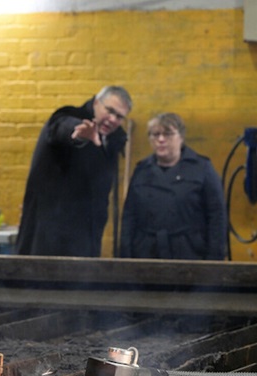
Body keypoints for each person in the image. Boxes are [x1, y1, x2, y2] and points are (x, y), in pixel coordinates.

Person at [16, 85, 133, 257]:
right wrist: (79, 135)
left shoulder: (113, 140)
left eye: (119, 116)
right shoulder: (68, 118)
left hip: (87, 241)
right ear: (96, 103)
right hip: (49, 239)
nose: (113, 119)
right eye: (110, 110)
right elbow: (62, 128)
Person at [119, 113, 226, 260]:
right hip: (146, 253)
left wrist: (215, 261)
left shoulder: (202, 169)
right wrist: (125, 256)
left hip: (190, 253)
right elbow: (129, 217)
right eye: (155, 135)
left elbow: (217, 216)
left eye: (168, 134)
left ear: (181, 137)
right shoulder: (141, 170)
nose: (161, 140)